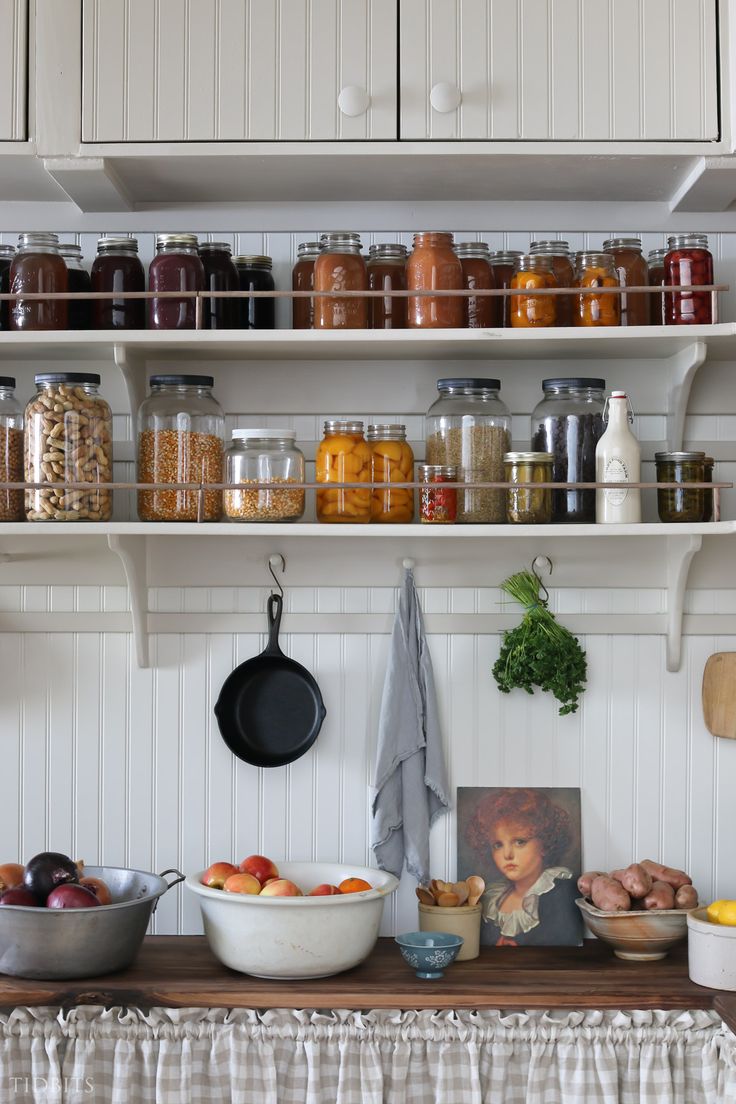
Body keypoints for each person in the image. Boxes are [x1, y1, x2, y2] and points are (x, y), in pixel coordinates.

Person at [466, 788, 582, 946]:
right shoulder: (490, 898)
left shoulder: (561, 893)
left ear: (544, 844)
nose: (507, 854)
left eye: (519, 842)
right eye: (498, 845)